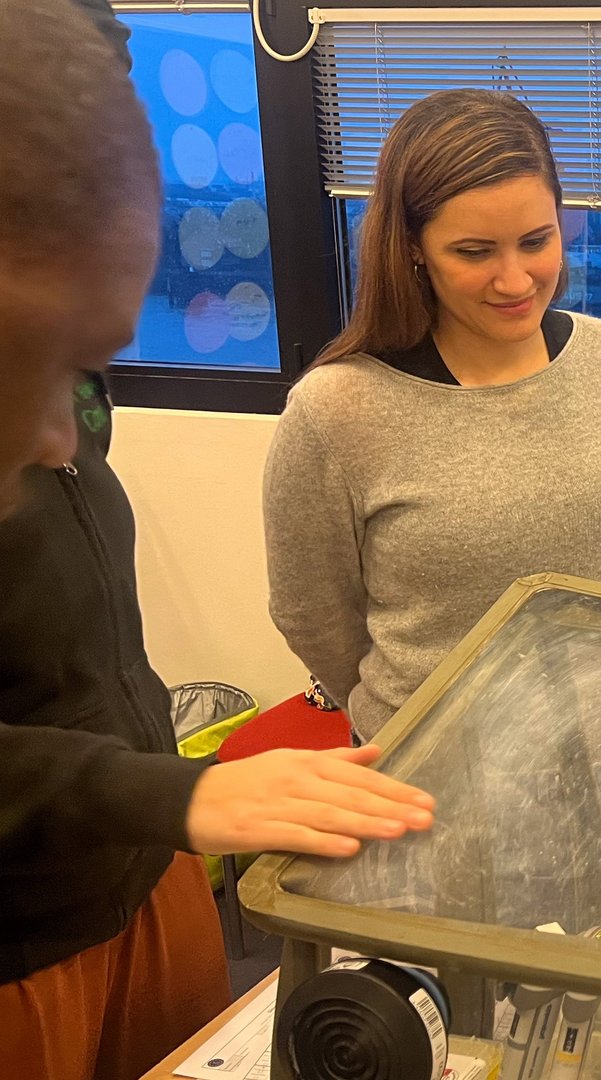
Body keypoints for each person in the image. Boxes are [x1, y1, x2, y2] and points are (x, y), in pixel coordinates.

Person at [0, 4, 434, 1078]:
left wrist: (163, 806)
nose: (66, 443)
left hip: (141, 876)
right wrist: (159, 791)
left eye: (90, 375)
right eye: (27, 370)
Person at [265, 89, 601, 736]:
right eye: (474, 252)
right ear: (414, 247)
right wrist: (402, 725)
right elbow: (310, 613)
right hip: (443, 778)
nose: (514, 280)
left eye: (537, 241)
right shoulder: (337, 410)